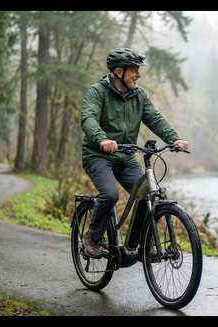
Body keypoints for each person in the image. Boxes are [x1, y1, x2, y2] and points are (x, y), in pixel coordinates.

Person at [80, 48, 188, 258]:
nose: (139, 74)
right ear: (119, 72)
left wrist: (173, 138)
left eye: (139, 70)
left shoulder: (139, 95)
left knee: (147, 195)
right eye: (135, 71)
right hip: (98, 156)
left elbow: (154, 118)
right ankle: (92, 237)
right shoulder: (97, 92)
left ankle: (140, 245)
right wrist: (102, 139)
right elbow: (88, 118)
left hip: (126, 157)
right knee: (110, 194)